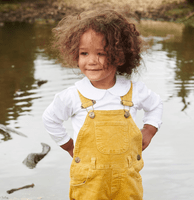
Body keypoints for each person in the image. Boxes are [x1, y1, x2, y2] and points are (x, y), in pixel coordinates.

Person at [42, 9, 163, 200]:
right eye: (84, 53)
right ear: (75, 54)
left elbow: (155, 105)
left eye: (101, 53)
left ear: (120, 56)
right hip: (89, 183)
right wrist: (68, 145)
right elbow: (50, 119)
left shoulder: (135, 91)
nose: (91, 61)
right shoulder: (73, 95)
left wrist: (149, 129)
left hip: (127, 182)